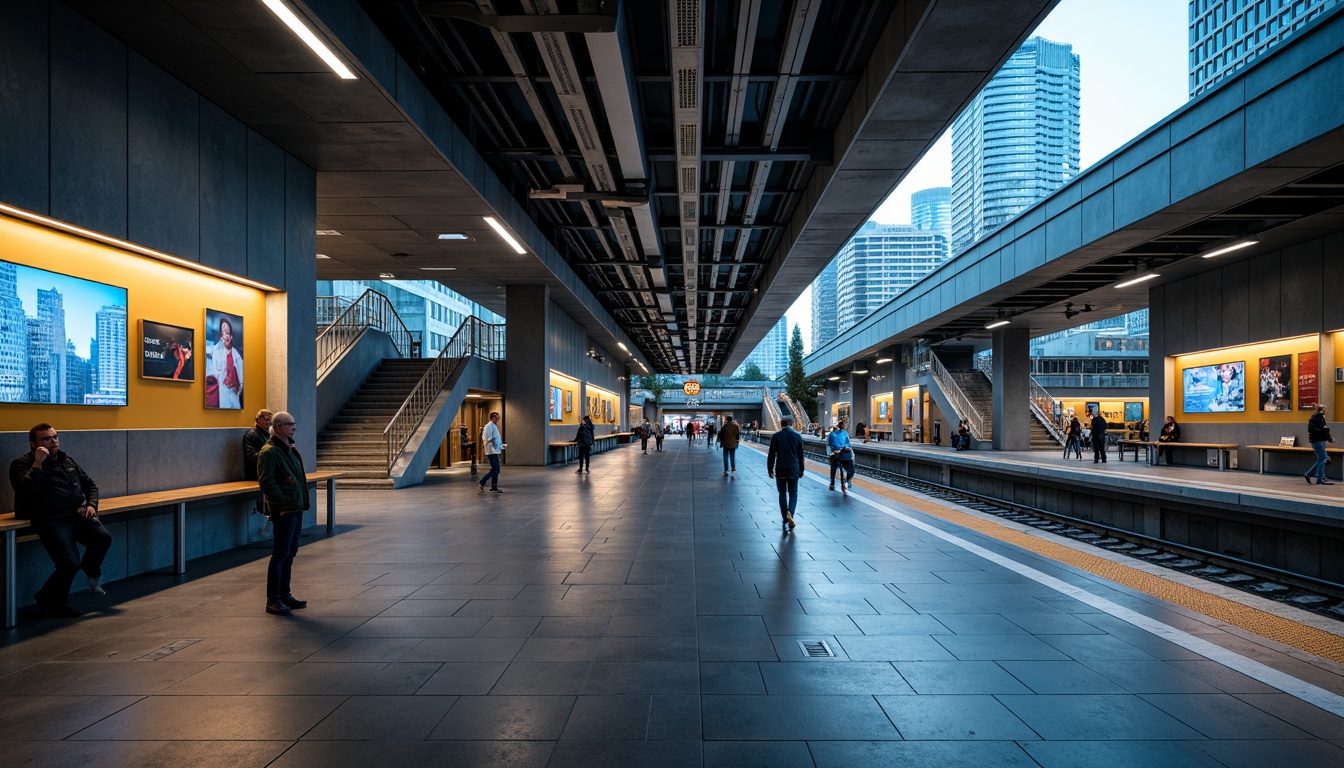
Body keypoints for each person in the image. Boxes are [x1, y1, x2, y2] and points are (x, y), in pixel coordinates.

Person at [10, 424, 112, 617]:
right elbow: (25, 489)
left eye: (55, 437)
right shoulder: (22, 463)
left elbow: (89, 484)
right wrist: (38, 464)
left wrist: (91, 505)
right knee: (69, 563)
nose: (53, 441)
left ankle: (91, 571)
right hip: (51, 519)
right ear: (33, 444)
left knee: (102, 537)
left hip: (76, 515)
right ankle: (56, 603)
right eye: (46, 439)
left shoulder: (66, 460)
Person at [256, 412, 308, 615]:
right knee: (280, 555)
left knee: (290, 553)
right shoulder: (269, 452)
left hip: (295, 507)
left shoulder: (288, 448)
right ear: (278, 427)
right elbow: (267, 482)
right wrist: (283, 503)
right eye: (289, 424)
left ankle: (285, 594)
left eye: (294, 423)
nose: (294, 427)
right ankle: (273, 599)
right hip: (285, 510)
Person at [767, 415, 805, 533]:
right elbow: (800, 455)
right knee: (793, 492)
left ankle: (785, 519)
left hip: (781, 469)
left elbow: (772, 454)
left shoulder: (776, 436)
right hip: (793, 468)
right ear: (791, 424)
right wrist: (801, 469)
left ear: (781, 425)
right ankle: (791, 513)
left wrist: (770, 469)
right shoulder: (797, 436)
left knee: (782, 493)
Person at [207, 316, 243, 409]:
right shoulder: (217, 350)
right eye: (223, 333)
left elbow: (241, 374)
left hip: (233, 392)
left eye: (227, 333)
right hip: (222, 391)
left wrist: (238, 390)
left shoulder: (236, 355)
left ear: (231, 337)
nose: (225, 336)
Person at [243, 409, 273, 520]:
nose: (269, 422)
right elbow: (251, 455)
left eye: (270, 419)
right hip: (256, 474)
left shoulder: (268, 435)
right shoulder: (253, 435)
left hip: (266, 472)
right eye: (266, 419)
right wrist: (269, 457)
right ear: (257, 419)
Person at [1305, 405, 1334, 485]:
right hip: (1318, 441)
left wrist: (1328, 437)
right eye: (1324, 410)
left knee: (1321, 459)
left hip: (1320, 441)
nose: (1325, 411)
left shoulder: (1320, 418)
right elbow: (1319, 430)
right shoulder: (1315, 419)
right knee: (1323, 459)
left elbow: (1324, 429)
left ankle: (1309, 474)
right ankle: (1320, 479)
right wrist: (1326, 436)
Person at [826, 419, 854, 494]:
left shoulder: (843, 433)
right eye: (845, 424)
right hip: (837, 453)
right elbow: (832, 445)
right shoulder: (833, 434)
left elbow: (848, 443)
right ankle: (834, 482)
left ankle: (837, 482)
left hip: (842, 452)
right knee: (835, 466)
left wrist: (843, 449)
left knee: (844, 466)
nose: (846, 425)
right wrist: (842, 448)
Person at [479, 411, 504, 493]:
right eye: (497, 417)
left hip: (495, 450)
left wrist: (500, 445)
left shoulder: (493, 426)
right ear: (492, 418)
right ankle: (482, 481)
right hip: (492, 450)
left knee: (496, 469)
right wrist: (495, 446)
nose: (498, 419)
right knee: (495, 469)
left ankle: (494, 487)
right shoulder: (489, 426)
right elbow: (490, 438)